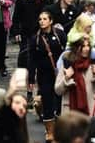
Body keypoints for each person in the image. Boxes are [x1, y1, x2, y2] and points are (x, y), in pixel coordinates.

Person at [28, 11, 67, 141]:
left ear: (51, 21)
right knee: (47, 100)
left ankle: (60, 129)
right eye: (40, 19)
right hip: (44, 75)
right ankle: (49, 131)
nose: (42, 21)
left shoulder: (60, 34)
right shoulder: (36, 39)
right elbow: (32, 59)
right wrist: (31, 78)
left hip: (59, 73)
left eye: (45, 19)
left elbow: (66, 53)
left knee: (60, 101)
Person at [54, 34, 95, 116]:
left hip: (90, 111)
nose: (86, 49)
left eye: (88, 46)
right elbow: (58, 91)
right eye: (83, 46)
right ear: (76, 47)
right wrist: (66, 78)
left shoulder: (93, 64)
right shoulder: (67, 64)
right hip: (70, 113)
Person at [13, 0, 54, 68]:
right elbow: (16, 16)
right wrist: (16, 32)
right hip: (26, 30)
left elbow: (51, 14)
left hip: (42, 30)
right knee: (25, 55)